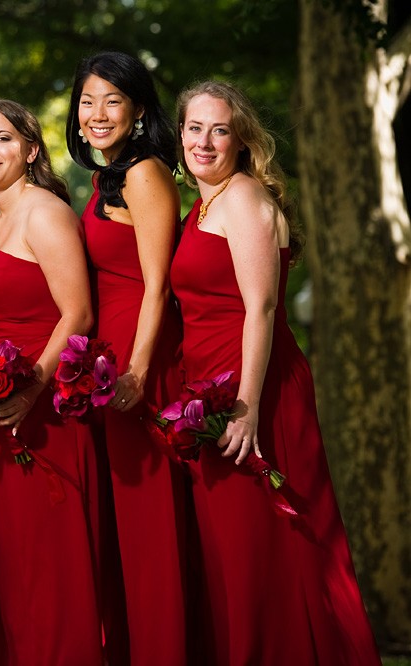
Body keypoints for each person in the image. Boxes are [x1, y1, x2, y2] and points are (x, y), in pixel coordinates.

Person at [171, 80, 381, 666]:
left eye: (219, 129)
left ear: (242, 139)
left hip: (252, 388)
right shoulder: (205, 203)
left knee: (272, 544)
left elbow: (261, 307)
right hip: (211, 391)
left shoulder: (242, 198)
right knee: (238, 551)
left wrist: (247, 404)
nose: (204, 142)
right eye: (194, 128)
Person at [0, 99, 105, 665]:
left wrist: (32, 388)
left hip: (47, 403)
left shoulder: (44, 212)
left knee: (54, 559)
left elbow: (78, 314)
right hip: (1, 404)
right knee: (16, 560)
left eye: (2, 139)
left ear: (29, 149)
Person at [66, 51, 189, 665]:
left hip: (144, 356)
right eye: (88, 101)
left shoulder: (144, 173)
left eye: (113, 101)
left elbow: (158, 284)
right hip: (108, 356)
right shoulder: (104, 177)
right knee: (120, 520)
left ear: (139, 110)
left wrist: (138, 370)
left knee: (149, 519)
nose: (98, 114)